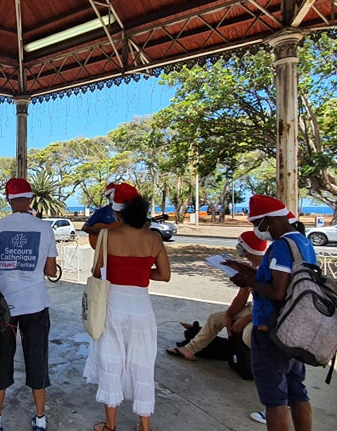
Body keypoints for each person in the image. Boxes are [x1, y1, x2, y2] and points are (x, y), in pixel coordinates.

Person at [225, 195, 316, 431]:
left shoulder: (280, 246)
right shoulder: (303, 242)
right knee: (298, 393)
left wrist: (249, 282)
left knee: (275, 401)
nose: (256, 230)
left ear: (268, 221)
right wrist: (247, 272)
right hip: (296, 329)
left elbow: (277, 291)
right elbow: (280, 280)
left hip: (271, 330)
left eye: (257, 224)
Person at [84, 183, 171, 431]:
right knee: (143, 364)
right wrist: (142, 273)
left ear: (117, 212)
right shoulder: (154, 238)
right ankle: (144, 426)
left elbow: (96, 272)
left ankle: (110, 425)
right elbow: (164, 275)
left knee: (111, 361)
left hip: (113, 305)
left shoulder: (106, 236)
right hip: (142, 307)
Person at [0, 178, 58, 431]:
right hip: (36, 304)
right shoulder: (45, 229)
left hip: (4, 306)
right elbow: (50, 269)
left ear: (7, 199)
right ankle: (40, 420)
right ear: (31, 199)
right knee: (38, 359)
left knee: (0, 359)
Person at [167, 231, 266, 360]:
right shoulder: (249, 268)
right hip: (253, 308)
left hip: (263, 313)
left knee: (248, 334)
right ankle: (189, 349)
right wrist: (228, 315)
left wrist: (245, 320)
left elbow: (269, 305)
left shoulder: (266, 270)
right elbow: (241, 297)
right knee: (215, 318)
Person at [82, 182, 120, 248]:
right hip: (106, 248)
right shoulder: (101, 212)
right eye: (112, 195)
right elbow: (85, 227)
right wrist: (103, 233)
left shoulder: (126, 213)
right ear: (108, 196)